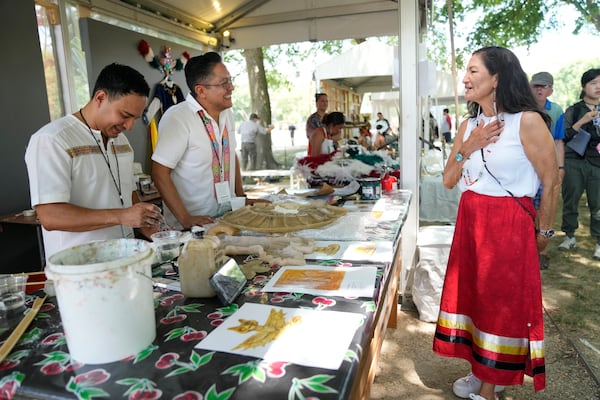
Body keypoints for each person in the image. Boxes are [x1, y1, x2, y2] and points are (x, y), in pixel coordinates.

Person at [433, 46, 559, 400]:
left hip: (507, 223)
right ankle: (480, 370)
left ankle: (489, 389)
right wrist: (467, 146)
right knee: (474, 300)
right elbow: (447, 179)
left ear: (497, 78)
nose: (465, 78)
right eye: (466, 71)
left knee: (499, 304)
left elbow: (551, 181)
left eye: (473, 71)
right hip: (472, 221)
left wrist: (544, 233)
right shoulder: (468, 125)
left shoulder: (527, 121)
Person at [25, 63, 162, 260]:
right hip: (79, 269)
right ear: (100, 98)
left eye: (136, 118)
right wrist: (121, 216)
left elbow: (127, 193)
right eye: (125, 115)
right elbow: (50, 216)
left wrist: (148, 224)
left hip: (128, 260)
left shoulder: (121, 141)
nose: (130, 126)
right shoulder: (53, 139)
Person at [151, 52, 255, 230]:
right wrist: (185, 218)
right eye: (224, 83)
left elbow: (230, 155)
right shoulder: (178, 117)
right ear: (201, 90)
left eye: (230, 80)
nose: (231, 88)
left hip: (227, 218)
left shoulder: (227, 114)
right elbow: (160, 172)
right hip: (193, 228)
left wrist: (241, 197)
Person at [559, 68, 600, 260]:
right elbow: (564, 136)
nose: (598, 87)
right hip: (574, 160)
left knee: (598, 204)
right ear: (584, 87)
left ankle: (599, 242)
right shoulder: (574, 110)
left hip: (597, 163)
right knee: (571, 199)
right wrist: (582, 121)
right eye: (593, 83)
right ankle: (569, 235)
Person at [530, 71, 565, 268]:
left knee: (547, 207)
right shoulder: (521, 108)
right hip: (527, 165)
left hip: (548, 165)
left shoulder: (557, 111)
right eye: (536, 86)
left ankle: (542, 251)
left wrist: (561, 167)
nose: (540, 89)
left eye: (544, 86)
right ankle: (527, 247)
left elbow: (559, 141)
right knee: (528, 208)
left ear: (550, 89)